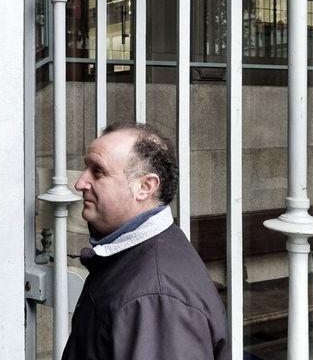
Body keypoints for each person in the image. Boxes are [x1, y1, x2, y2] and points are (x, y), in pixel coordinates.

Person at [62, 122, 229, 360]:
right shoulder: (139, 259)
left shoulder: (157, 297)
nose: (80, 183)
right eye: (86, 167)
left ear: (145, 186)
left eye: (98, 171)